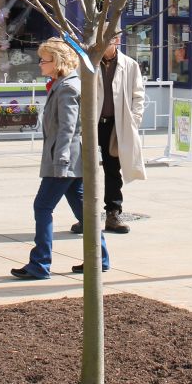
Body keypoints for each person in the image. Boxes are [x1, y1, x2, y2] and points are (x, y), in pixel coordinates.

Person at [11, 38, 109, 280]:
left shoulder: (67, 87)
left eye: (43, 60)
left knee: (42, 206)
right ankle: (100, 259)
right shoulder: (66, 84)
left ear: (56, 62)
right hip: (72, 159)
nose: (40, 65)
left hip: (65, 159)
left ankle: (40, 264)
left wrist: (61, 161)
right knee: (85, 210)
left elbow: (69, 127)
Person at [73, 27, 146, 235]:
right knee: (86, 170)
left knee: (113, 170)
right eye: (100, 39)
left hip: (116, 125)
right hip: (91, 124)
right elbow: (77, 91)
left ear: (118, 40)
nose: (103, 44)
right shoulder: (87, 62)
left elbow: (138, 95)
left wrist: (134, 120)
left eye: (108, 39)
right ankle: (85, 216)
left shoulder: (129, 65)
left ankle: (113, 213)